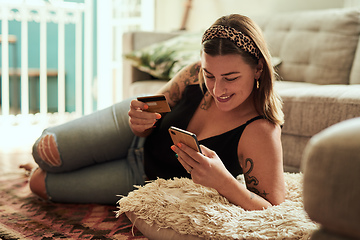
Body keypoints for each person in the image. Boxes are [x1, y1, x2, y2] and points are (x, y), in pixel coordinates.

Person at [24, 13, 285, 210]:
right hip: (130, 133)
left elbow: (273, 210)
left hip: (143, 175)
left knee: (38, 182)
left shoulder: (261, 130)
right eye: (210, 75)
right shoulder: (194, 74)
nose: (217, 89)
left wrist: (224, 182)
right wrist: (141, 120)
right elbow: (154, 106)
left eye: (230, 77)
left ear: (258, 69)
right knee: (44, 151)